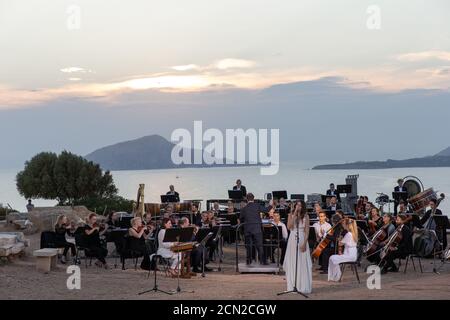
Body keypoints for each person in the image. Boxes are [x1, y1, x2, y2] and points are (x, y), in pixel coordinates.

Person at [283, 200, 312, 293]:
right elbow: (289, 227)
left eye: (300, 205)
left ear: (303, 206)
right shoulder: (291, 215)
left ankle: (302, 285)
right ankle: (292, 285)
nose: (298, 207)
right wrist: (294, 214)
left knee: (302, 262)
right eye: (297, 205)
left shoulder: (306, 216)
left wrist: (304, 243)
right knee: (293, 261)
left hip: (302, 238)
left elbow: (307, 231)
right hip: (292, 239)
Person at [239, 193, 273, 265]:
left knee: (249, 246)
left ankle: (249, 261)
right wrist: (270, 204)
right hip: (257, 229)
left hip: (247, 229)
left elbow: (241, 218)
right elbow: (266, 210)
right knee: (259, 246)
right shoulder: (257, 206)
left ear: (246, 199)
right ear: (253, 199)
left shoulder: (244, 209)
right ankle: (262, 261)